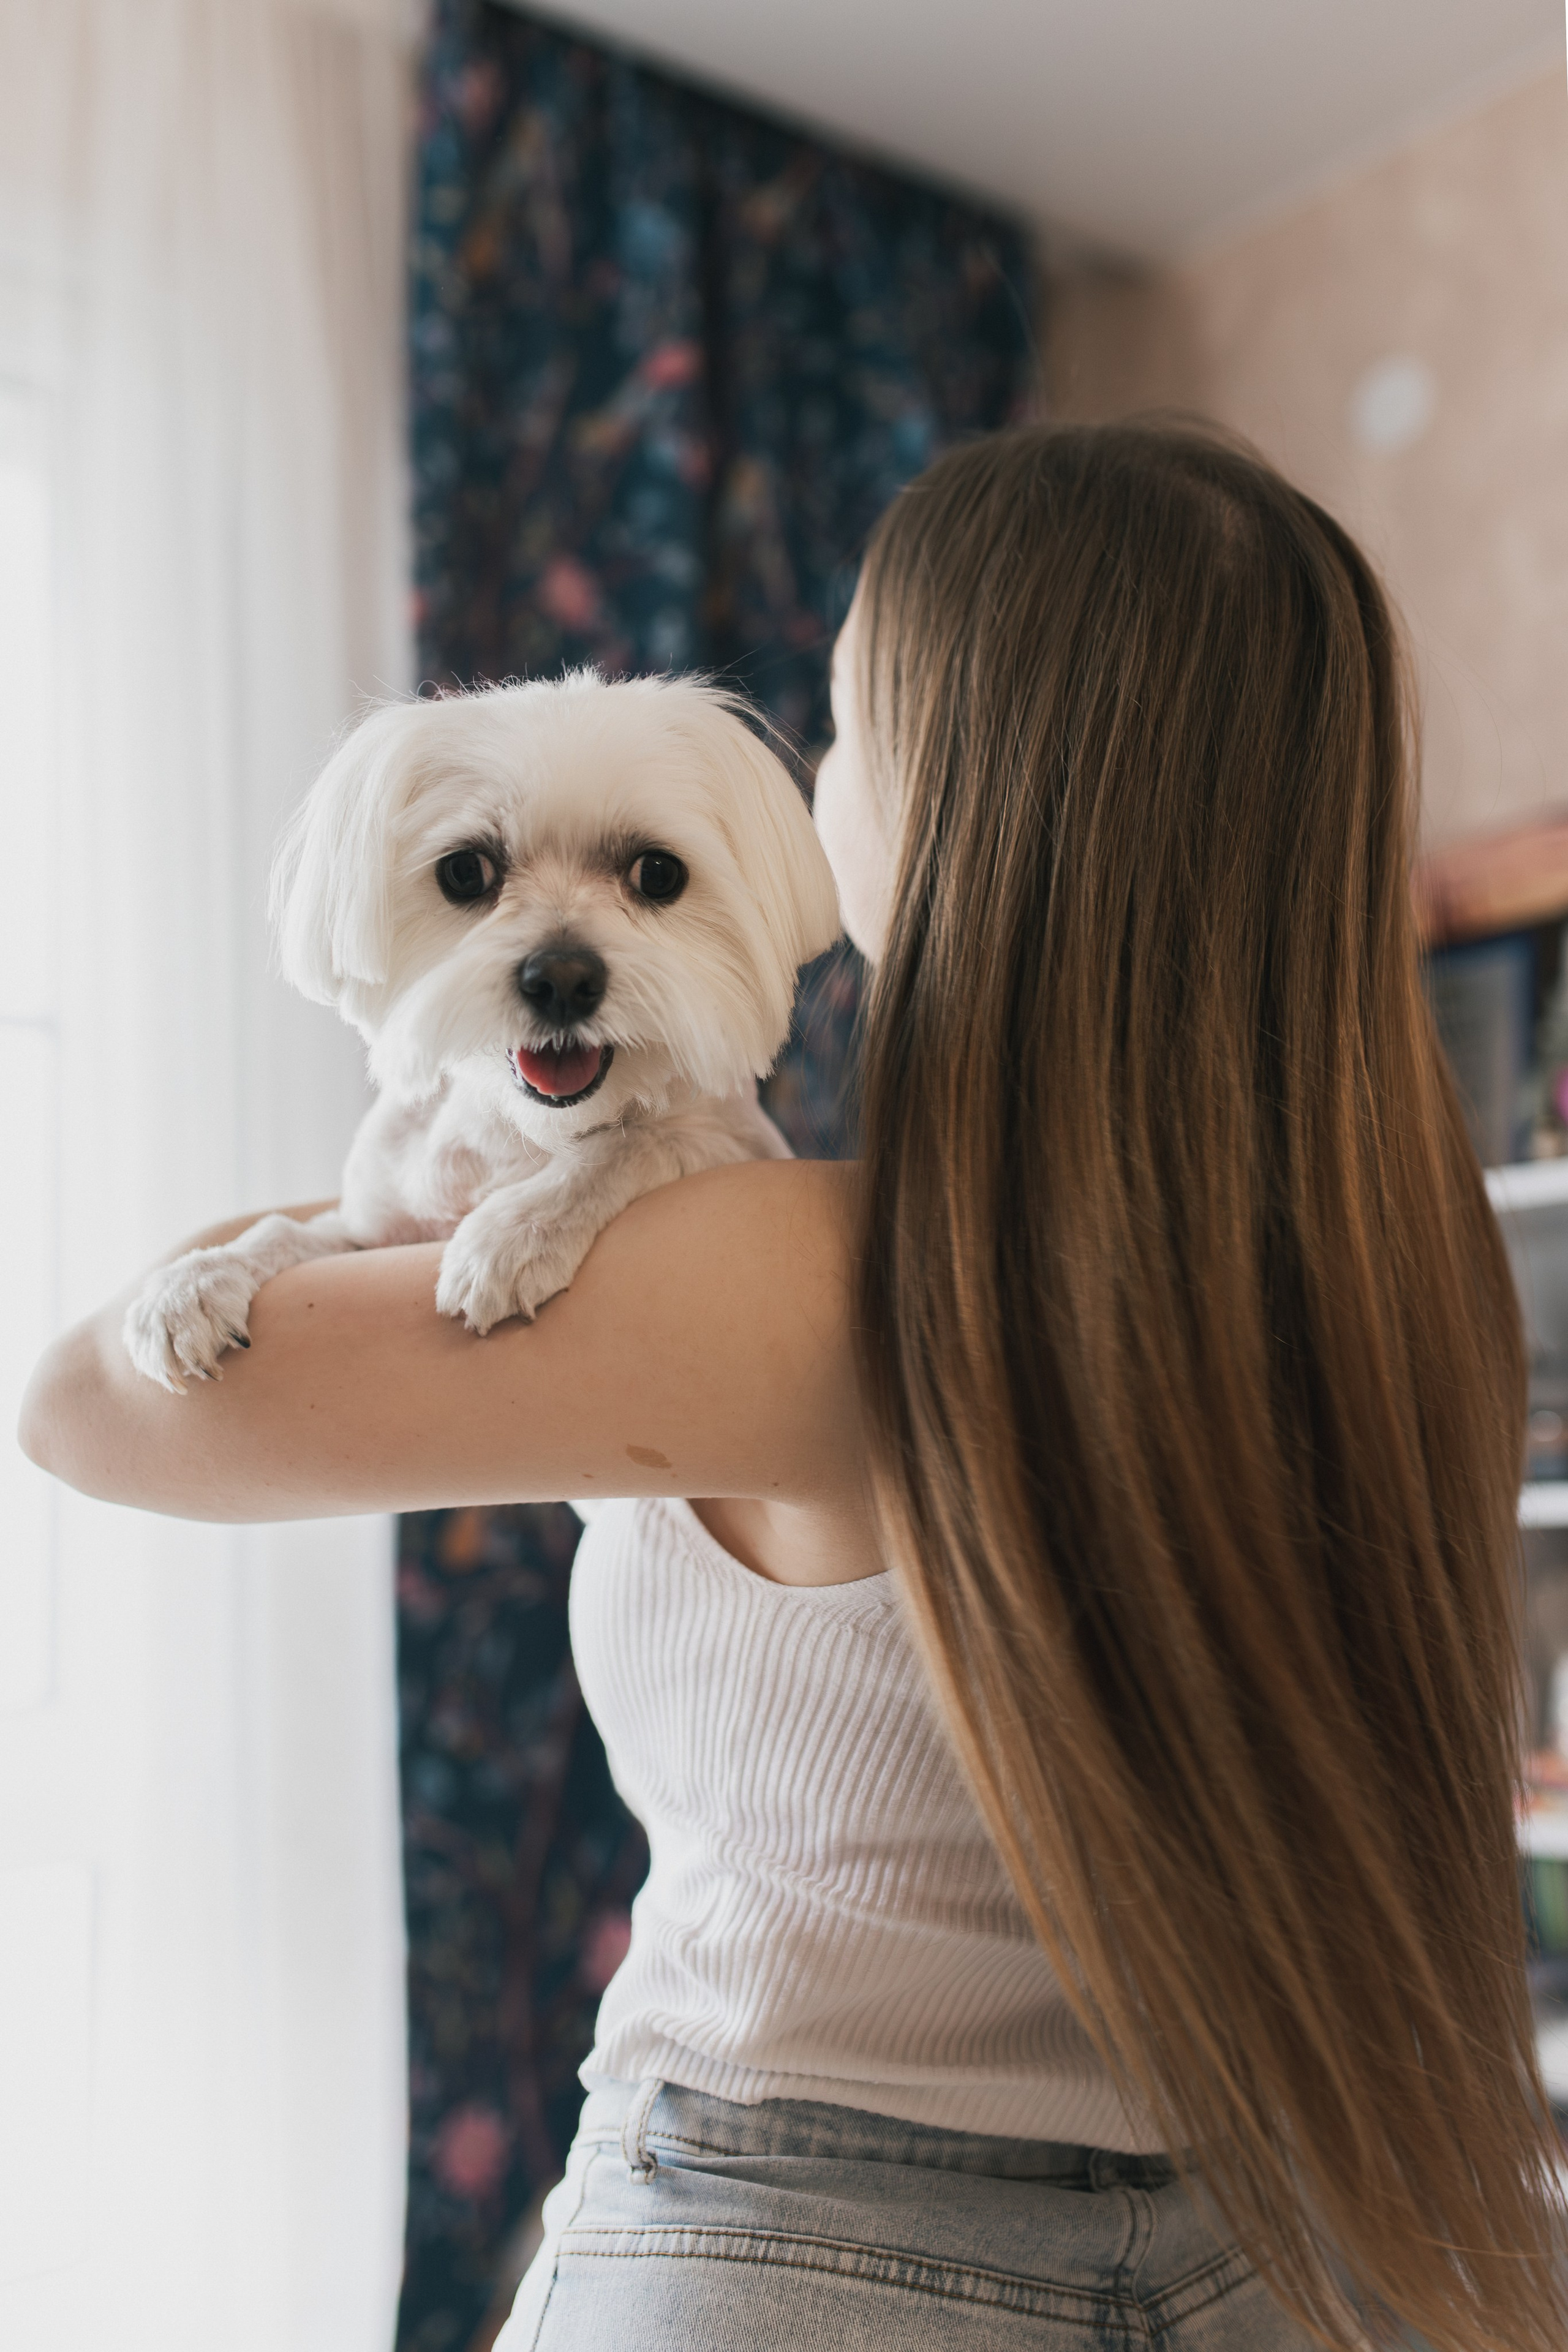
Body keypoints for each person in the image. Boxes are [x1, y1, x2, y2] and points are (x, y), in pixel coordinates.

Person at [21, 424, 1566, 2351]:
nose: (822, 783)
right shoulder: (1411, 1289)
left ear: (958, 797)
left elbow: (87, 1407)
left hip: (790, 2246)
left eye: (844, 729)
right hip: (1273, 2244)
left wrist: (400, 1152)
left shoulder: (777, 1275)